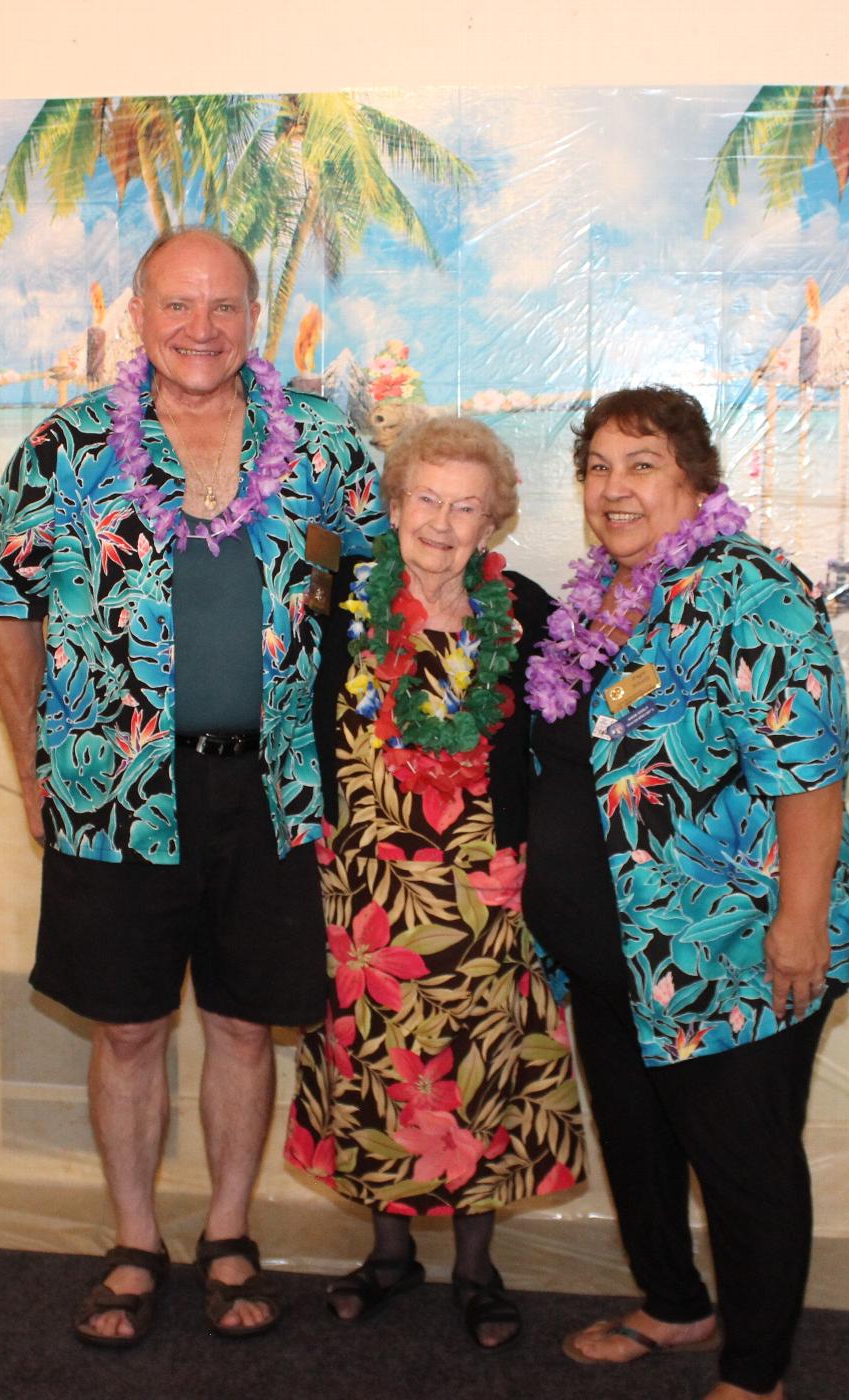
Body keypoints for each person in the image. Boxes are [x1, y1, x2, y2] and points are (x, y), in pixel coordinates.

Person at [0, 227, 385, 1347]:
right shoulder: (62, 451)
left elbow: (389, 596)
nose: (198, 327)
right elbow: (10, 614)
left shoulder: (323, 448)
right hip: (111, 789)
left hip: (273, 790)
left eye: (222, 305)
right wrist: (31, 772)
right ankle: (129, 1239)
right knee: (126, 1030)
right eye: (176, 304)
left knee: (247, 1027)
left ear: (253, 315)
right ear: (137, 313)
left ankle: (226, 1229)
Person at [522, 386, 849, 1400]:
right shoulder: (599, 596)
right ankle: (675, 1305)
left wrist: (799, 922)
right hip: (615, 954)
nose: (611, 486)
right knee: (637, 1144)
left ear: (695, 476)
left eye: (639, 462)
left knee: (742, 1161)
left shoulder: (748, 587)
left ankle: (756, 1371)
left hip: (726, 940)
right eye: (595, 464)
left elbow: (808, 771)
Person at [284, 416, 586, 1350]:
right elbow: (296, 728)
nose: (443, 523)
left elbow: (566, 749)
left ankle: (477, 1269)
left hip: (487, 889)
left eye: (466, 505)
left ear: (494, 519)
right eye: (427, 498)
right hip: (367, 884)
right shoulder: (341, 606)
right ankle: (387, 1256)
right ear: (395, 501)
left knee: (480, 1071)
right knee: (378, 1065)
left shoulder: (529, 612)